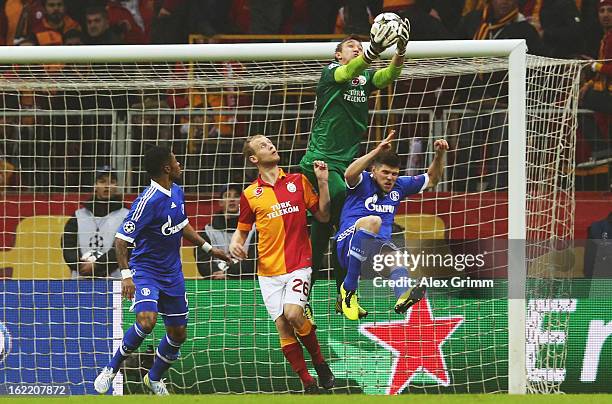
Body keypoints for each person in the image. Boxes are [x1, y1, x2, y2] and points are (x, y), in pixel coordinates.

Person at [93, 146, 231, 396]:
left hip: (173, 274)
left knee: (178, 333)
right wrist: (126, 276)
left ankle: (153, 377)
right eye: (176, 161)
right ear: (167, 168)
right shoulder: (146, 202)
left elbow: (182, 225)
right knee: (147, 320)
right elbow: (121, 240)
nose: (180, 164)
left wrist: (210, 248)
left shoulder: (177, 191)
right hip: (146, 271)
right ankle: (111, 369)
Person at [299, 20, 410, 320]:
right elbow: (350, 71)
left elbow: (389, 75)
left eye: (360, 46)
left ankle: (330, 296)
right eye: (351, 46)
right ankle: (340, 294)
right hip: (320, 161)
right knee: (346, 215)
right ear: (337, 55)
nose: (357, 48)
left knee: (332, 231)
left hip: (347, 163)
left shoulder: (366, 79)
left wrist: (400, 49)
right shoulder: (330, 73)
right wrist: (374, 49)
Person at [229, 135, 335, 393]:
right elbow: (242, 231)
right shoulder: (249, 194)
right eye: (263, 146)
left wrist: (323, 183)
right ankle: (308, 383)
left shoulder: (298, 181)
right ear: (254, 159)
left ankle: (320, 363)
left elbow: (323, 215)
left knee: (293, 314)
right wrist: (235, 242)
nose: (271, 146)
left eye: (270, 143)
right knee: (283, 327)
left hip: (299, 263)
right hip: (267, 272)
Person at [336, 130, 448, 320]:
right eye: (385, 172)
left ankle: (402, 296)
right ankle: (349, 288)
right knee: (374, 221)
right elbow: (348, 174)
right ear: (374, 171)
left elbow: (433, 179)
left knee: (398, 257)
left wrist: (439, 155)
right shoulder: (362, 180)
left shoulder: (400, 186)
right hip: (348, 242)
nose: (390, 178)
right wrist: (376, 150)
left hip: (375, 251)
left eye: (394, 174)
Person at [61, 166, 129, 279]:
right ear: (95, 185)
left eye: (112, 182)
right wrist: (82, 266)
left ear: (117, 186)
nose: (107, 186)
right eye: (102, 181)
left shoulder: (126, 216)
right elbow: (68, 247)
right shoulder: (78, 216)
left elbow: (126, 248)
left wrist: (97, 265)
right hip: (81, 280)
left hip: (114, 280)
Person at [195, 184, 257, 279]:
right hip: (216, 284)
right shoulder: (207, 232)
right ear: (220, 202)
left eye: (236, 196)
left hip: (247, 283)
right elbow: (203, 262)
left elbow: (255, 262)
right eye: (227, 196)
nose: (232, 199)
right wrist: (216, 273)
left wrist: (228, 273)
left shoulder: (255, 230)